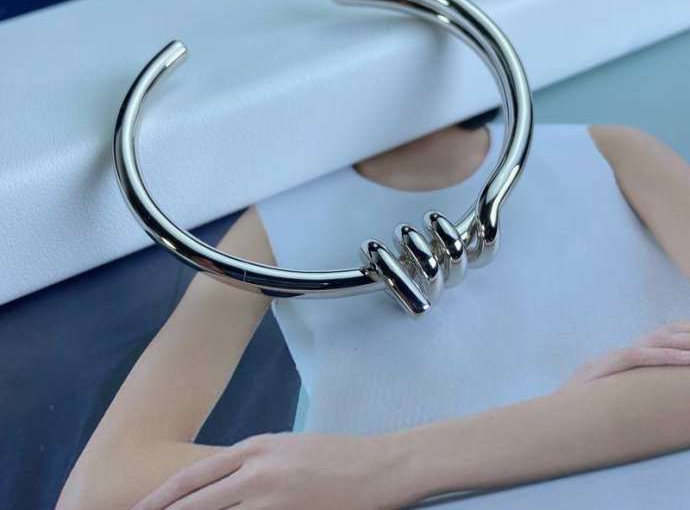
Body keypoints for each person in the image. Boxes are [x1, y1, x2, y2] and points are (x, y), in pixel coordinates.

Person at [56, 120, 690, 510]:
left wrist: (377, 469)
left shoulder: (605, 155)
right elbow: (103, 489)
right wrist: (581, 422)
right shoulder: (274, 230)